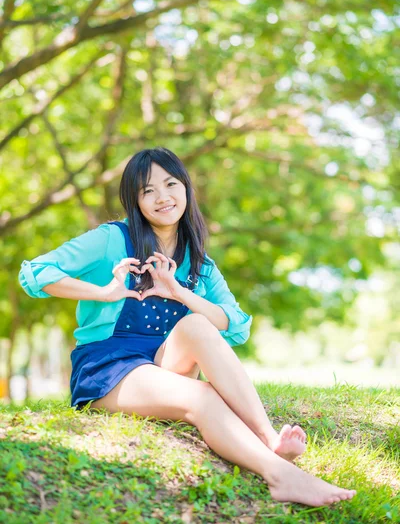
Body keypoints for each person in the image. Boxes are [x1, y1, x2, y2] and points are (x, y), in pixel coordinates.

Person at [19, 147, 356, 507]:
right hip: (108, 369)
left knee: (197, 323)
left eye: (171, 184)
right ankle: (280, 476)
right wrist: (104, 293)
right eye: (148, 190)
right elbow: (36, 273)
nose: (162, 197)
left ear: (186, 189)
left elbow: (236, 325)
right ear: (135, 201)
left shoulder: (199, 262)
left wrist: (180, 293)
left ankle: (269, 438)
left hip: (162, 363)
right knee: (203, 396)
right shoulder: (111, 240)